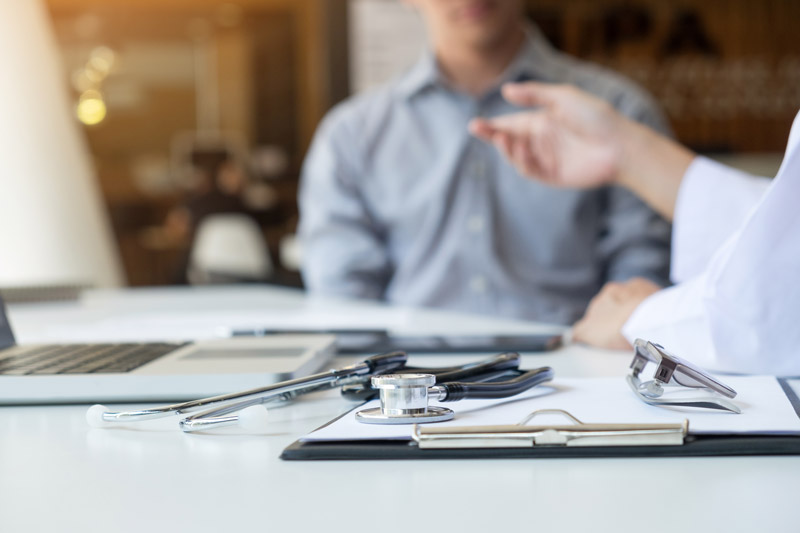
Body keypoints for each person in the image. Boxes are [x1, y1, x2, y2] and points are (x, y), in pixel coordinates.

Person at [298, 0, 672, 325]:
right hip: (410, 382)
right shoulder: (351, 135)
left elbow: (643, 273)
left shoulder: (617, 114)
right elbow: (343, 297)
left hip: (581, 375)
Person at [470, 81, 799, 375]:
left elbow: (778, 312)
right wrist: (621, 151)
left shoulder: (621, 98)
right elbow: (781, 229)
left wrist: (643, 319)